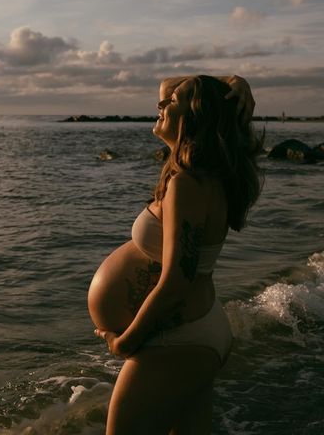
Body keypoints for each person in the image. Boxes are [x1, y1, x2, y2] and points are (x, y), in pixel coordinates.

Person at [89, 74, 262, 435]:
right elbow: (170, 83)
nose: (161, 104)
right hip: (192, 336)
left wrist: (126, 341)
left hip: (179, 341)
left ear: (195, 115)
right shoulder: (202, 175)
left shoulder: (188, 182)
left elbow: (176, 282)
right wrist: (230, 82)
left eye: (173, 102)